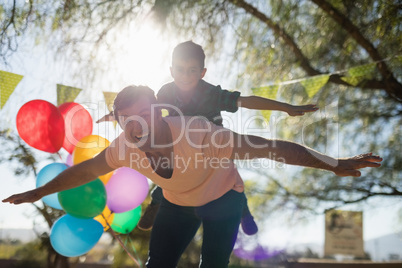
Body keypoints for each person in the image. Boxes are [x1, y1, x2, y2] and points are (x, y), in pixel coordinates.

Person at [4, 85, 382, 268]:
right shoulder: (124, 147)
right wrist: (40, 192)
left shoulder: (200, 132)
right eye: (129, 121)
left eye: (147, 115)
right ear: (120, 122)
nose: (140, 127)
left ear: (160, 111)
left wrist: (334, 163)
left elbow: (271, 147)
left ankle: (243, 214)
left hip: (222, 202)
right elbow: (85, 170)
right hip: (177, 206)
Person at [98, 41, 319, 235]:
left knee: (229, 175)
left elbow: (247, 101)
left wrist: (286, 107)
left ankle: (243, 211)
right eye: (180, 70)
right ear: (171, 70)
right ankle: (157, 203)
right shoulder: (165, 92)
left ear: (202, 72)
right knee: (167, 171)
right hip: (180, 143)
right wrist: (116, 116)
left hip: (211, 143)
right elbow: (141, 110)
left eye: (192, 71)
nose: (185, 76)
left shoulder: (212, 93)